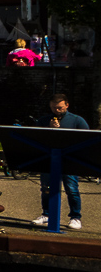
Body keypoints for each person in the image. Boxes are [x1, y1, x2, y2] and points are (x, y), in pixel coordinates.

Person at [32, 92, 87, 230]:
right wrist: (49, 129)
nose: (56, 111)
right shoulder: (44, 120)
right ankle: (47, 214)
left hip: (69, 160)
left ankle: (75, 217)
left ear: (66, 105)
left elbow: (86, 139)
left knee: (72, 189)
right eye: (53, 108)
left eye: (60, 108)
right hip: (49, 159)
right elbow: (36, 138)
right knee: (46, 189)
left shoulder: (77, 120)